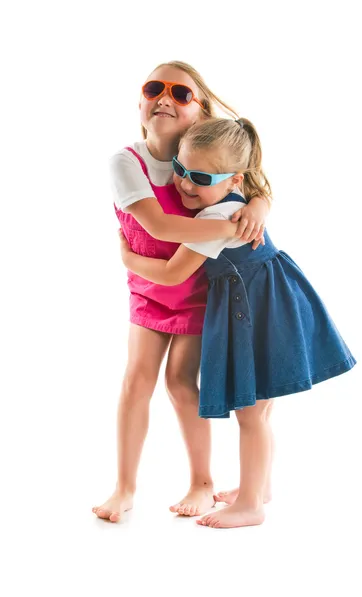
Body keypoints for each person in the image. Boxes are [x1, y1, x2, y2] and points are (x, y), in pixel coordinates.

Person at [118, 116, 356, 528]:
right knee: (260, 412)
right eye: (180, 169)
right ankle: (259, 487)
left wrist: (128, 259)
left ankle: (250, 506)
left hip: (264, 312)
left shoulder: (217, 220)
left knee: (251, 413)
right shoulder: (230, 200)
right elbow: (257, 194)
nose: (185, 184)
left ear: (233, 180)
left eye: (200, 176)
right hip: (268, 304)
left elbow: (174, 273)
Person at [92, 62, 270, 523]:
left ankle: (202, 481)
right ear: (140, 104)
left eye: (181, 92)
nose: (165, 97)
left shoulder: (214, 160)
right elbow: (156, 223)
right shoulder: (126, 162)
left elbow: (251, 183)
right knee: (136, 382)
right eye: (155, 87)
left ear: (201, 112)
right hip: (150, 290)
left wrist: (258, 203)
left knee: (180, 384)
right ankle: (125, 486)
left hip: (196, 292)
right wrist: (230, 222)